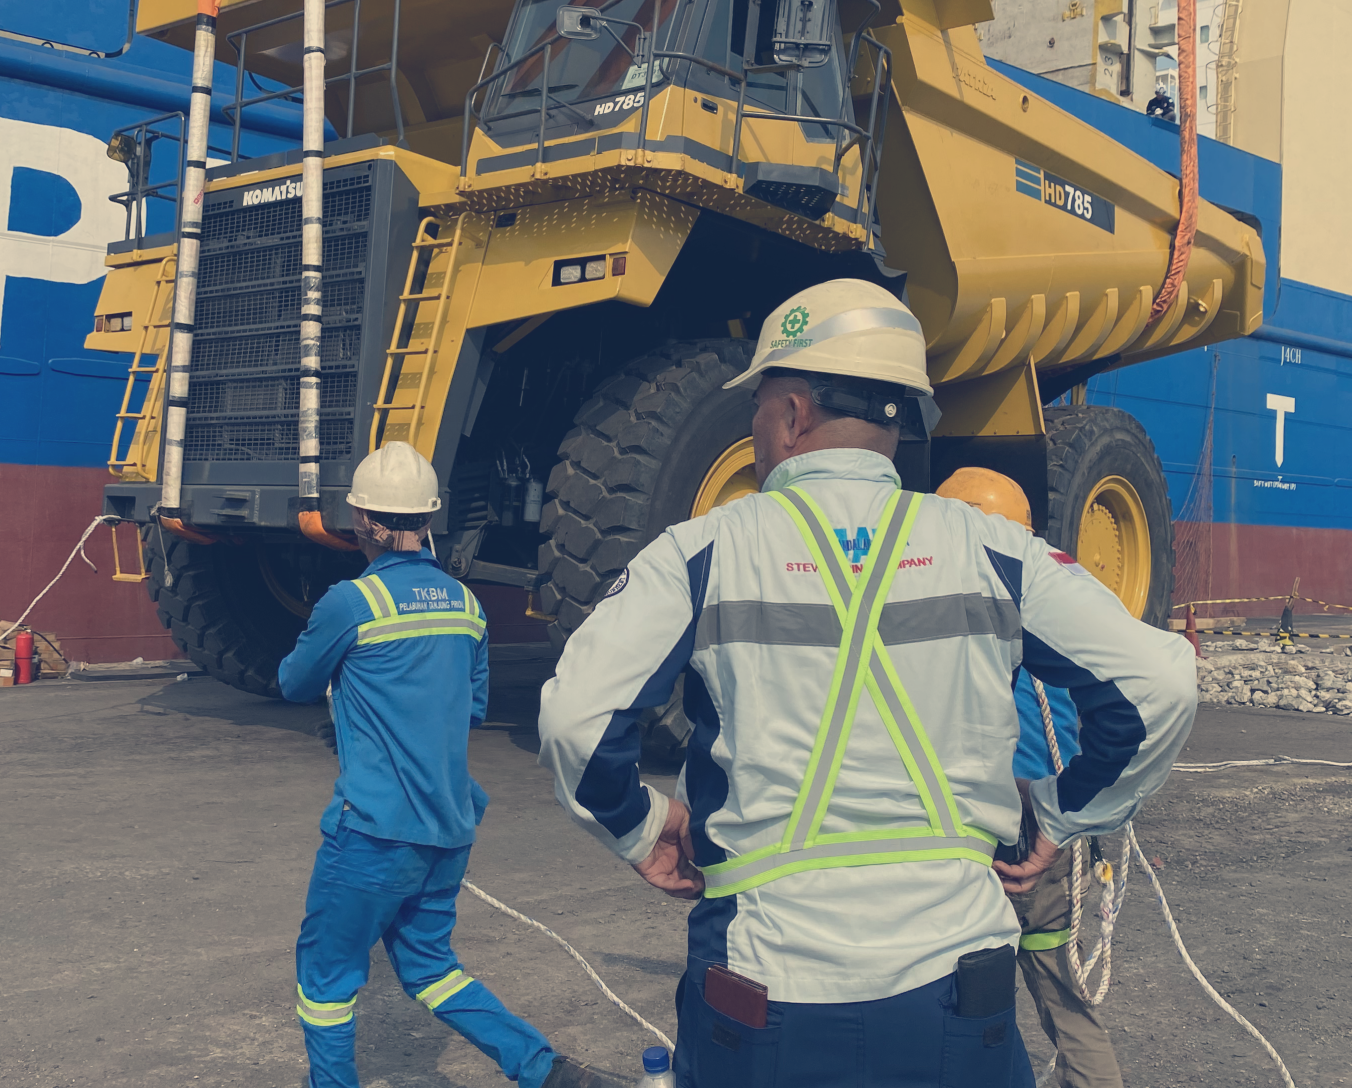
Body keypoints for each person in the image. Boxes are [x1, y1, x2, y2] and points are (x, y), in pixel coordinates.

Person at [536, 279, 1197, 1086]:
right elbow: (1156, 684)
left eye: (755, 411)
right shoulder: (991, 550)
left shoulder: (699, 553)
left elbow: (576, 718)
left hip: (761, 984)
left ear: (789, 413)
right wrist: (1063, 812)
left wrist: (642, 829)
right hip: (960, 990)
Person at [279, 441, 621, 1088]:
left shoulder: (350, 604)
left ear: (361, 521)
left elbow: (294, 682)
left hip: (372, 835)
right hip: (446, 829)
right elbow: (464, 710)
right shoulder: (466, 606)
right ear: (427, 520)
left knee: (324, 981)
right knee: (430, 969)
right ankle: (542, 1069)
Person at [936, 467, 1126, 1088]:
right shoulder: (1058, 604)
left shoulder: (946, 612)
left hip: (983, 826)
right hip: (1051, 825)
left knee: (952, 1002)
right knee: (1064, 1005)